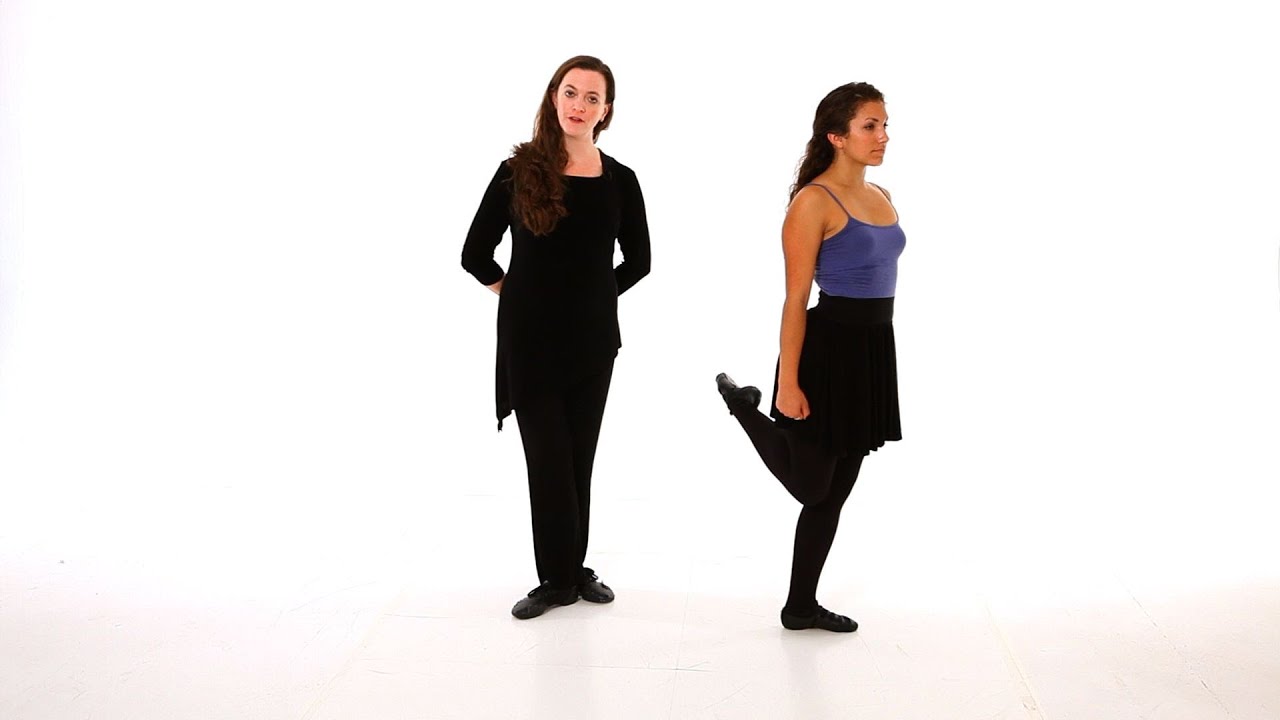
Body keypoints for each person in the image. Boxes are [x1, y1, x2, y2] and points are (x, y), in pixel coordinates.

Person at [461, 55, 651, 620]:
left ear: (606, 111)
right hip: (531, 342)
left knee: (578, 460)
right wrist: (520, 296)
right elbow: (474, 254)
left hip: (593, 342)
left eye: (592, 98)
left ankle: (574, 569)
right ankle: (555, 580)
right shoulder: (517, 170)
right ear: (553, 98)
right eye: (571, 92)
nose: (579, 105)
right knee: (547, 462)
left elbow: (639, 261)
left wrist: (591, 299)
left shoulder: (621, 180)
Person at [715, 82, 904, 633]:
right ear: (836, 136)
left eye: (885, 125)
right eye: (870, 126)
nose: (883, 136)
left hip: (873, 350)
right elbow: (795, 300)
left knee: (834, 493)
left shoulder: (883, 195)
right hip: (828, 350)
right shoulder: (813, 203)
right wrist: (788, 382)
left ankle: (800, 606)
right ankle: (743, 407)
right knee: (811, 486)